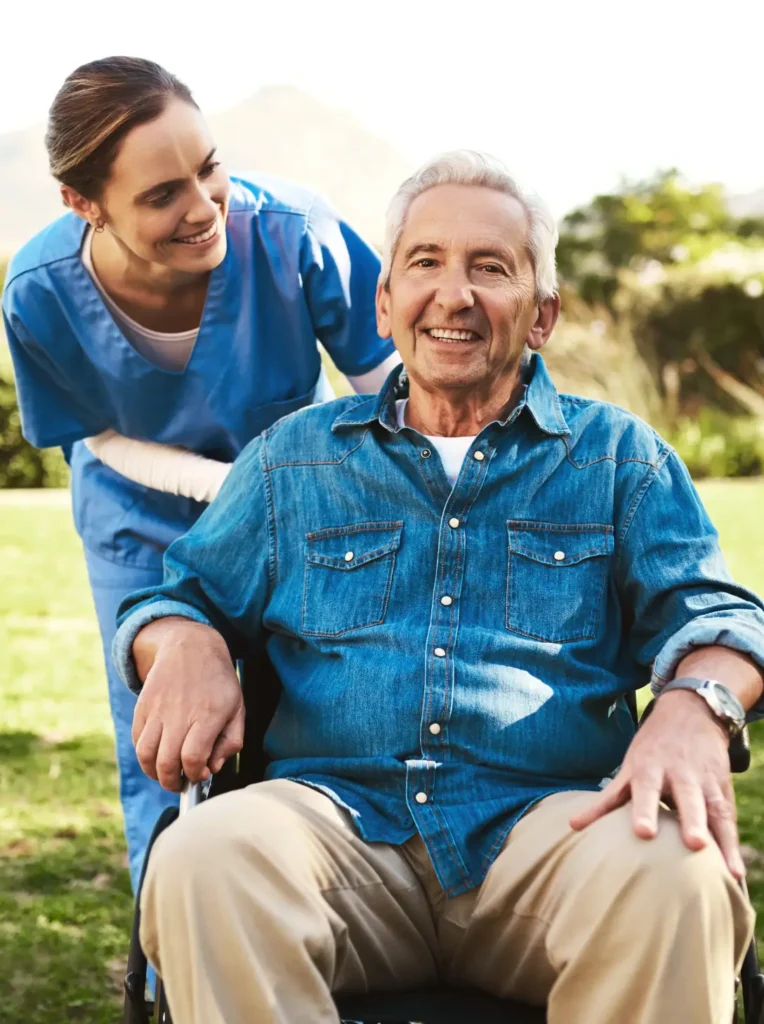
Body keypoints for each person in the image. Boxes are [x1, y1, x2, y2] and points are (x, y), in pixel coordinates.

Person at [113, 151, 763, 1024]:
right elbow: (174, 596)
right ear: (385, 303)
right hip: (335, 834)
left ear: (542, 314)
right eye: (425, 262)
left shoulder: (619, 459)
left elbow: (721, 616)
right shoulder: (291, 461)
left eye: (490, 268)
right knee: (205, 856)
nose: (453, 295)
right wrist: (184, 639)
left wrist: (697, 704)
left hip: (555, 836)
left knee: (677, 874)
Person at [1, 56, 399, 891]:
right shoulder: (39, 293)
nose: (203, 206)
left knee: (321, 716)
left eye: (208, 167)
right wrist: (239, 490)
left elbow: (394, 386)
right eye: (160, 195)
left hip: (307, 507)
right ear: (83, 203)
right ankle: (172, 943)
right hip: (139, 521)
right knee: (172, 746)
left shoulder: (294, 233)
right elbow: (98, 438)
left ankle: (326, 913)